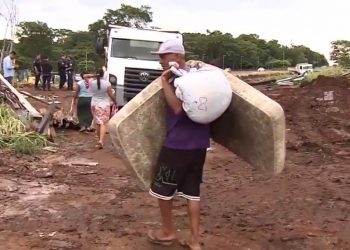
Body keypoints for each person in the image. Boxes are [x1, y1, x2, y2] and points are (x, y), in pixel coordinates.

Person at [147, 39, 209, 250]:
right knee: (193, 192)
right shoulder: (199, 77)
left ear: (177, 56)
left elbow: (177, 109)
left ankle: (167, 232)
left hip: (177, 145)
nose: (160, 61)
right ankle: (195, 241)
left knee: (163, 190)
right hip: (199, 144)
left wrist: (164, 82)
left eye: (163, 56)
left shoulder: (177, 80)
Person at [90, 69, 117, 149]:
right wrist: (115, 101)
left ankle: (99, 140)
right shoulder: (107, 83)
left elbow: (85, 77)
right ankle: (101, 140)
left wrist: (94, 76)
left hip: (94, 104)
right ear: (103, 74)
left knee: (98, 122)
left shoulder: (92, 82)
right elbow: (111, 94)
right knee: (103, 123)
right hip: (104, 105)